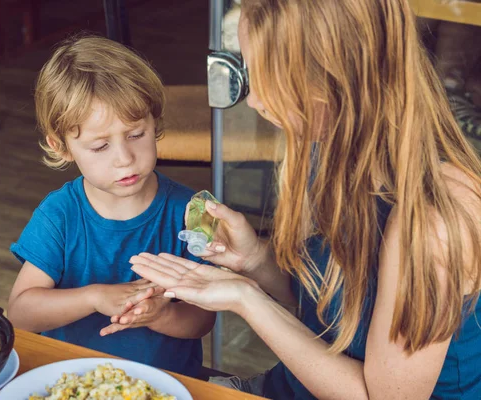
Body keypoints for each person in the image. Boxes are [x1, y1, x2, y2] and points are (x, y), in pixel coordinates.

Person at [127, 0, 481, 398]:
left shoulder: (438, 218)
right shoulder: (329, 148)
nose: (255, 100)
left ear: (330, 79)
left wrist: (245, 299)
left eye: (267, 76)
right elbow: (335, 314)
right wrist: (256, 262)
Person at [6, 35, 215, 378]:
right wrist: (93, 297)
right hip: (71, 382)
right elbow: (20, 314)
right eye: (100, 146)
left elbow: (202, 320)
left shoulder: (195, 213)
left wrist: (161, 315)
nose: (125, 159)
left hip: (167, 385)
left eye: (136, 135)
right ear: (62, 147)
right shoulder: (59, 215)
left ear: (155, 123)